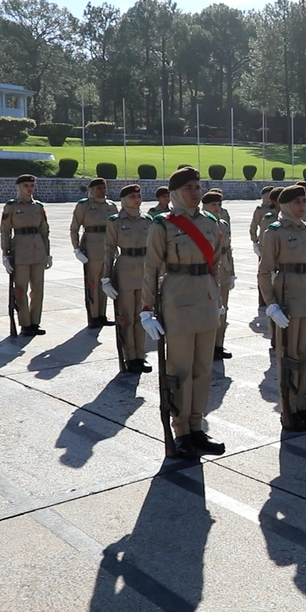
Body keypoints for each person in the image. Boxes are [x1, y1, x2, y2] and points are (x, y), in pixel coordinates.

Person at [140, 166, 226, 459]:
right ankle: (181, 431)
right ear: (176, 193)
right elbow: (151, 268)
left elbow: (217, 261)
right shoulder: (162, 225)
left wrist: (217, 296)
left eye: (198, 187)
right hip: (177, 300)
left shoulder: (210, 222)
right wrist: (147, 309)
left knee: (203, 369)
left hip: (205, 298)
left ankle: (197, 426)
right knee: (180, 371)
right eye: (189, 188)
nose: (195, 193)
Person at [259, 185, 306, 431]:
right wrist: (271, 304)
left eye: (304, 201)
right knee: (288, 357)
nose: (303, 206)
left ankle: (301, 405)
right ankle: (288, 409)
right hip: (287, 301)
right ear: (286, 205)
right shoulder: (274, 232)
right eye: (297, 202)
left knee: (305, 355)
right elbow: (265, 271)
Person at [102, 184, 152, 373]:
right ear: (123, 200)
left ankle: (140, 355)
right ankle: (129, 356)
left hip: (144, 269)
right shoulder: (115, 221)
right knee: (127, 317)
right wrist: (106, 278)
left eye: (138, 196)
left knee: (142, 316)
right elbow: (109, 251)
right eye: (132, 196)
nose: (136, 199)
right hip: (124, 270)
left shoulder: (147, 220)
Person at [0, 173, 51, 336]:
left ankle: (35, 322)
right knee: (21, 289)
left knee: (38, 289)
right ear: (19, 187)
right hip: (20, 251)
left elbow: (45, 231)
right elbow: (5, 231)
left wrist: (48, 253)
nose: (30, 189)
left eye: (32, 186)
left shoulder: (38, 207)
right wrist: (5, 254)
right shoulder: (11, 206)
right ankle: (25, 323)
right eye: (26, 186)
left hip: (38, 250)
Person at [72, 178, 119, 328]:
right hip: (91, 247)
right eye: (98, 188)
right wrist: (77, 249)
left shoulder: (111, 206)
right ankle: (93, 316)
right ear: (91, 190)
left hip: (107, 247)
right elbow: (74, 228)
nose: (102, 190)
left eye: (104, 187)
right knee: (92, 283)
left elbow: (117, 228)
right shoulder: (84, 205)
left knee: (105, 281)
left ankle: (102, 314)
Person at [203, 190, 235, 360]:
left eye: (219, 205)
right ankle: (206, 345)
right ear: (204, 206)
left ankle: (218, 345)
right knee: (208, 309)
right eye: (213, 205)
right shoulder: (200, 224)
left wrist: (233, 272)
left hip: (224, 270)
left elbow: (228, 250)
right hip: (207, 272)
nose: (217, 208)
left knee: (223, 310)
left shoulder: (223, 224)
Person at [250, 186, 276, 307]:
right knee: (263, 273)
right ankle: (263, 299)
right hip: (263, 246)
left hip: (276, 246)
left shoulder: (277, 209)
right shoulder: (260, 210)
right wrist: (255, 242)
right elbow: (253, 226)